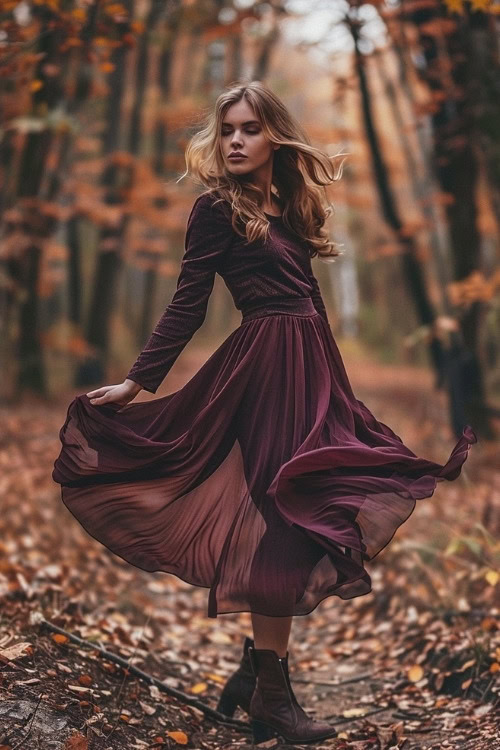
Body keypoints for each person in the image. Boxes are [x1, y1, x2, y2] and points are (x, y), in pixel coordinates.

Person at [52, 81, 477, 745]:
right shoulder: (214, 211)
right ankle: (275, 699)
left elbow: (312, 299)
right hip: (262, 373)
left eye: (249, 128)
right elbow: (187, 305)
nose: (237, 141)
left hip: (310, 369)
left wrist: (340, 388)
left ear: (274, 134)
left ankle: (257, 674)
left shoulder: (291, 203)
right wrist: (138, 384)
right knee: (285, 519)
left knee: (305, 511)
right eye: (227, 131)